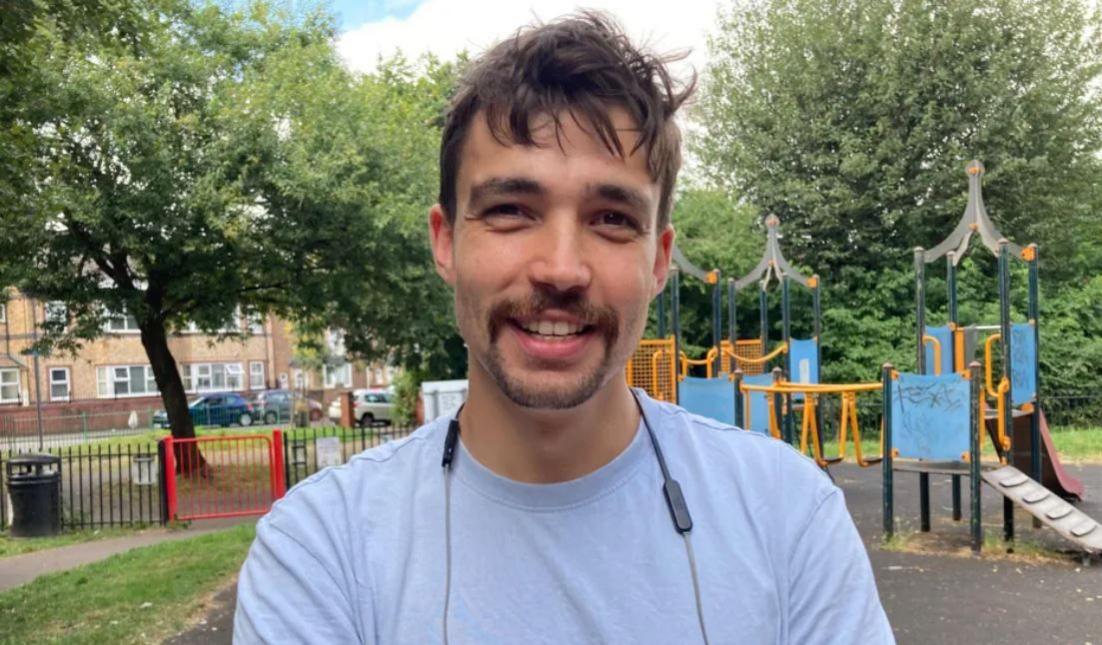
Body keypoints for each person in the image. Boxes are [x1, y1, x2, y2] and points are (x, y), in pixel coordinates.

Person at [234, 11, 894, 644]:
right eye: (512, 209)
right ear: (445, 242)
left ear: (658, 259)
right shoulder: (322, 550)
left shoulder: (787, 516)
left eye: (611, 218)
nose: (561, 268)